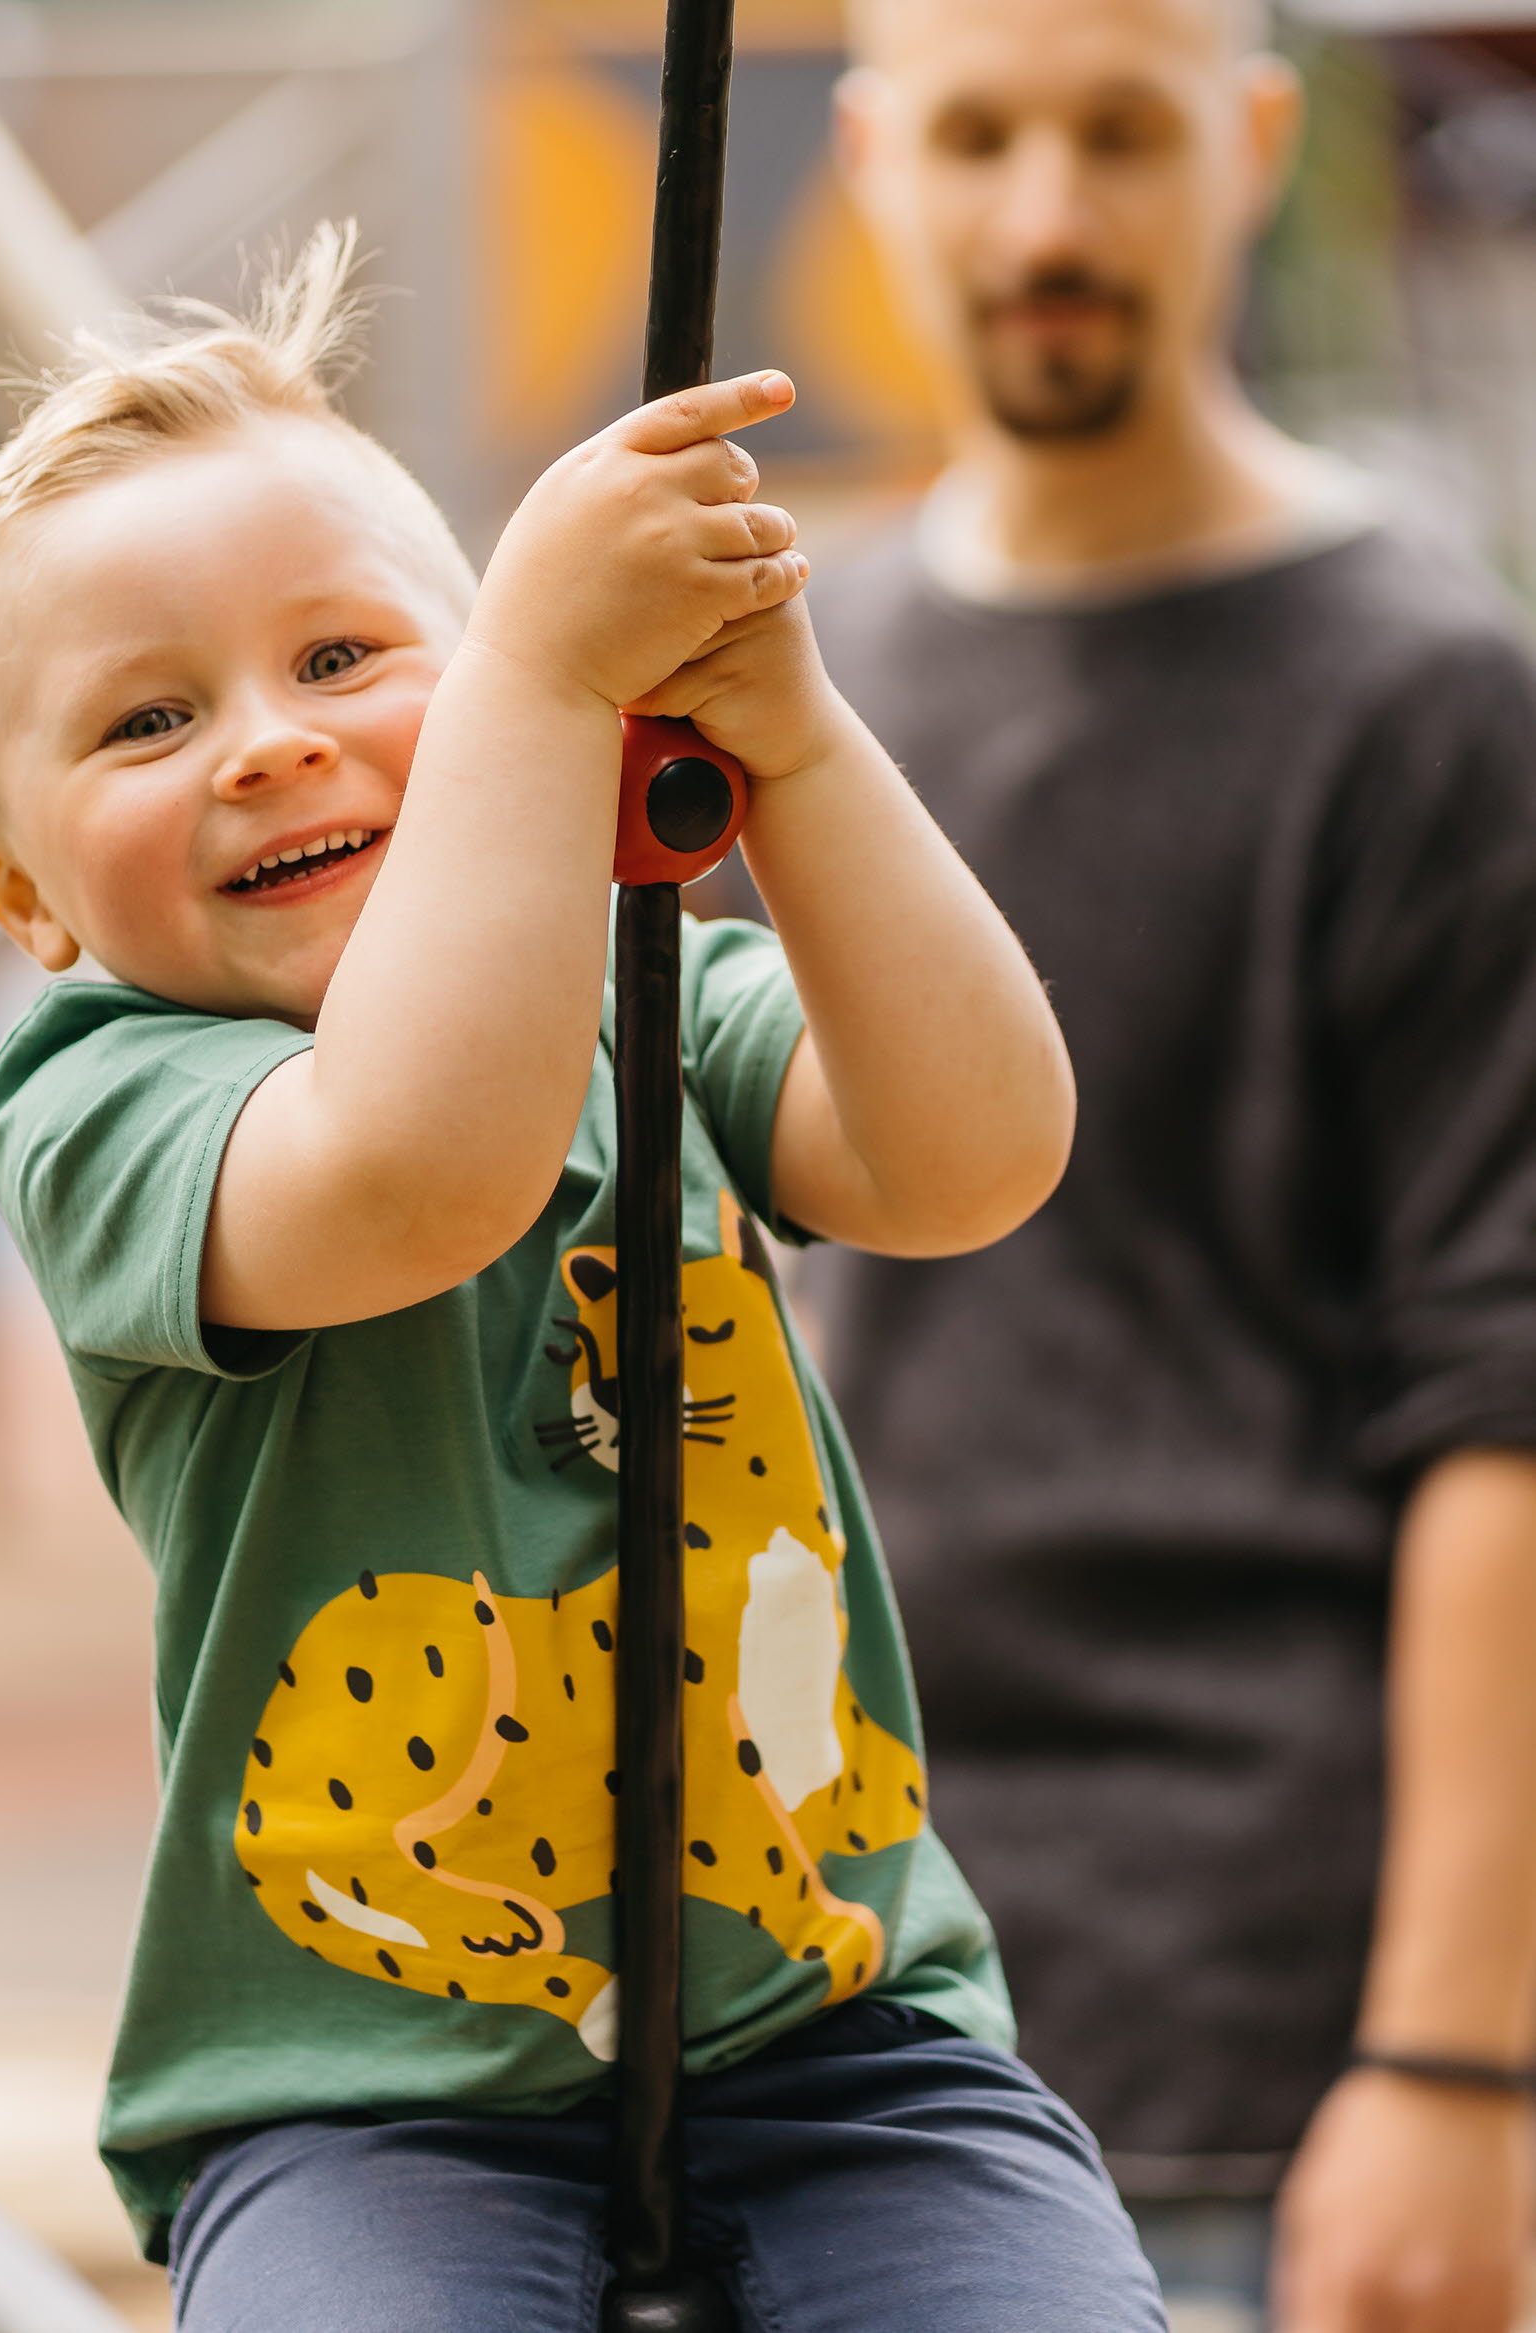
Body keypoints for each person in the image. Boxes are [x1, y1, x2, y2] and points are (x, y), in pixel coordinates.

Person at [0, 231, 1163, 2331]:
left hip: (835, 2030)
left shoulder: (644, 993)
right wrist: (529, 695)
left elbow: (970, 1157)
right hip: (359, 2091)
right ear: (17, 896)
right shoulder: (103, 1103)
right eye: (144, 719)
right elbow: (411, 1171)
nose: (266, 746)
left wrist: (802, 746)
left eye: (343, 660)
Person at [811, 0, 1536, 2326]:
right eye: (980, 135)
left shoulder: (1430, 701)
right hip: (832, 2024)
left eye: (1117, 135)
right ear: (865, 158)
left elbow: (1509, 1407)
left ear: (1241, 145)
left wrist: (1454, 2057)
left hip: (1258, 2052)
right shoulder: (794, 699)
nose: (1045, 218)